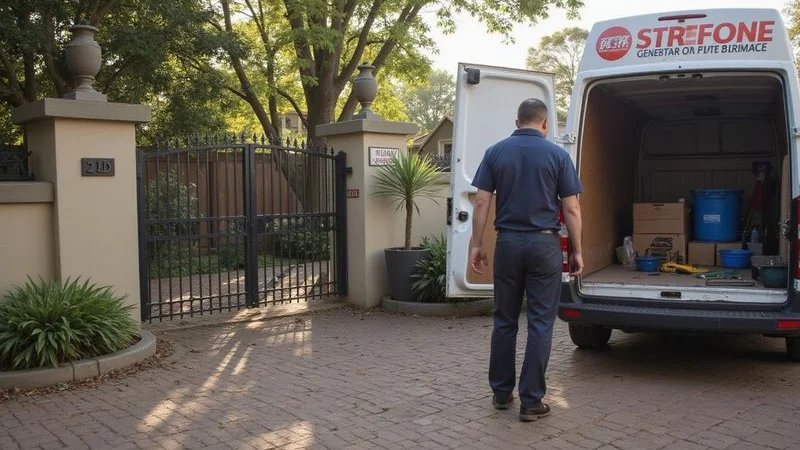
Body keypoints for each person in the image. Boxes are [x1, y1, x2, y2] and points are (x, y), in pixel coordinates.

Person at [469, 98, 583, 422]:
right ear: (545, 124)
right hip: (544, 246)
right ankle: (531, 401)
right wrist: (576, 249)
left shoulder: (495, 152)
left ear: (517, 121)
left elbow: (480, 202)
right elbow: (572, 208)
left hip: (507, 244)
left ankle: (502, 393)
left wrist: (476, 245)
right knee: (540, 323)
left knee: (504, 320)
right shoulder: (559, 155)